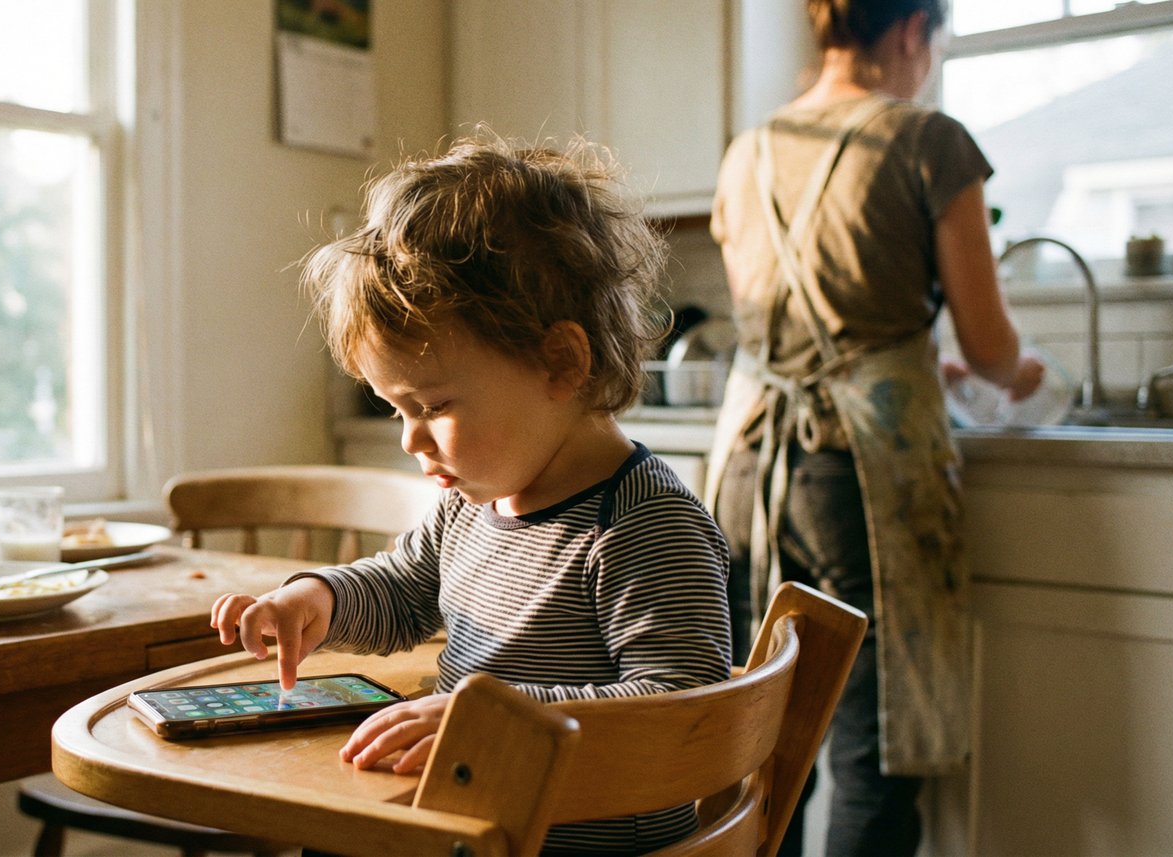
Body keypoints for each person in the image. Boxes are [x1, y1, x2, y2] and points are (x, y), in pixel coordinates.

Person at [210, 134, 732, 855]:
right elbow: (402, 588)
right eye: (397, 410)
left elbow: (680, 707)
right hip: (478, 811)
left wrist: (488, 718)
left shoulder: (644, 524)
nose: (409, 439)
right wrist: (319, 600)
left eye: (432, 406)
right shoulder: (472, 505)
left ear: (560, 362)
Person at [706, 1, 1047, 855]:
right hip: (855, 472)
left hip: (749, 463)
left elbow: (801, 322)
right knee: (872, 753)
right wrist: (1025, 375)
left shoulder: (745, 154)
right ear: (909, 33)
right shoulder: (929, 140)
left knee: (761, 745)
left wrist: (908, 357)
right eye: (931, 47)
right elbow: (990, 342)